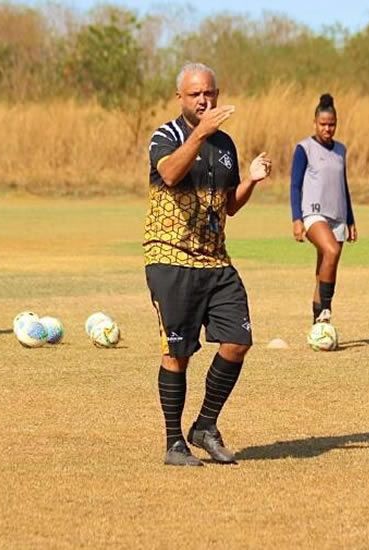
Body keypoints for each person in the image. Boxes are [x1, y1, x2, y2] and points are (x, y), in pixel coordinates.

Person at [145, 62, 272, 467]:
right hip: (170, 257)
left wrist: (249, 180)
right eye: (196, 94)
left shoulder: (227, 145)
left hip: (216, 260)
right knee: (177, 354)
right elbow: (168, 174)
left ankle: (204, 426)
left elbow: (228, 206)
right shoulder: (166, 135)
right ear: (180, 97)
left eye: (210, 93)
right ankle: (173, 443)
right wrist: (199, 133)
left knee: (238, 340)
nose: (205, 99)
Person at [289, 93, 357, 326]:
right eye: (323, 124)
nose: (328, 129)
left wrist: (350, 219)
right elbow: (295, 185)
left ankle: (320, 326)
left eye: (332, 124)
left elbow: (343, 184)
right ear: (315, 123)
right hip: (313, 213)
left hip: (338, 215)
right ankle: (326, 309)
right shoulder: (304, 148)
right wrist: (297, 218)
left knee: (325, 269)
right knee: (331, 251)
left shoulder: (341, 150)